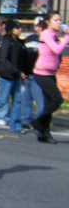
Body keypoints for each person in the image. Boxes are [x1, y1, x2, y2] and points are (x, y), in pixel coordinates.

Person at [31, 12, 69, 143]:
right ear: (48, 22)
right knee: (57, 99)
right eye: (56, 20)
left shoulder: (55, 34)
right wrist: (67, 37)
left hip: (51, 73)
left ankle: (44, 134)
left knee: (49, 103)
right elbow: (57, 50)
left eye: (60, 20)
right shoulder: (46, 34)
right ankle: (37, 122)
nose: (59, 22)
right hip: (41, 73)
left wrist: (63, 35)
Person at [21, 16, 46, 129]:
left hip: (39, 76)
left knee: (40, 102)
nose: (40, 28)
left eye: (42, 26)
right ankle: (26, 120)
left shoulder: (49, 39)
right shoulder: (29, 39)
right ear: (35, 27)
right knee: (26, 100)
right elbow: (24, 57)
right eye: (38, 26)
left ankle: (40, 122)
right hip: (28, 75)